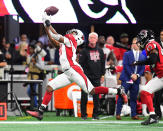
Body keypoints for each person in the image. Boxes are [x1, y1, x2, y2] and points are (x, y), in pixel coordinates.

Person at [26, 12, 127, 120]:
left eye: (74, 32)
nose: (71, 32)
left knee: (91, 91)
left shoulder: (71, 39)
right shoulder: (65, 43)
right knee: (50, 87)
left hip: (74, 69)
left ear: (77, 37)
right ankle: (40, 112)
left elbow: (55, 35)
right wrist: (46, 26)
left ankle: (118, 90)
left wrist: (48, 23)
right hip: (68, 72)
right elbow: (52, 39)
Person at [133, 29, 163, 125]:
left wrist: (138, 63)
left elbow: (153, 60)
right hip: (160, 75)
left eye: (141, 38)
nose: (139, 40)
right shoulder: (154, 44)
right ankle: (153, 116)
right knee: (145, 91)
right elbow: (155, 62)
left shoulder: (150, 44)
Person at [116, 37, 145, 120]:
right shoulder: (127, 54)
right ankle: (118, 113)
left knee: (134, 97)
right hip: (127, 78)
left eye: (135, 43)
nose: (133, 45)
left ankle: (134, 115)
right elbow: (125, 66)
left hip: (136, 80)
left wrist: (137, 76)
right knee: (121, 95)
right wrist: (132, 75)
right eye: (132, 43)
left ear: (139, 44)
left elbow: (142, 68)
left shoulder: (142, 56)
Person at [79, 32, 105, 120]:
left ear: (97, 39)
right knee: (84, 96)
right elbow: (81, 64)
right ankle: (83, 115)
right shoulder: (84, 51)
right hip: (86, 77)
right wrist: (82, 76)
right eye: (91, 38)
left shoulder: (100, 51)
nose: (92, 39)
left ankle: (95, 115)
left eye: (94, 38)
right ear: (88, 39)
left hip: (97, 77)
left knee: (96, 97)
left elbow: (102, 64)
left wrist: (102, 75)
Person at [26, 44, 45, 110]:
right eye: (29, 48)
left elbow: (42, 67)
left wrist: (35, 63)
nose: (30, 50)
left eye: (31, 48)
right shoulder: (30, 56)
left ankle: (35, 105)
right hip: (30, 76)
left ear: (34, 49)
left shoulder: (38, 56)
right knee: (30, 91)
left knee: (31, 91)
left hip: (36, 76)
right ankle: (34, 105)